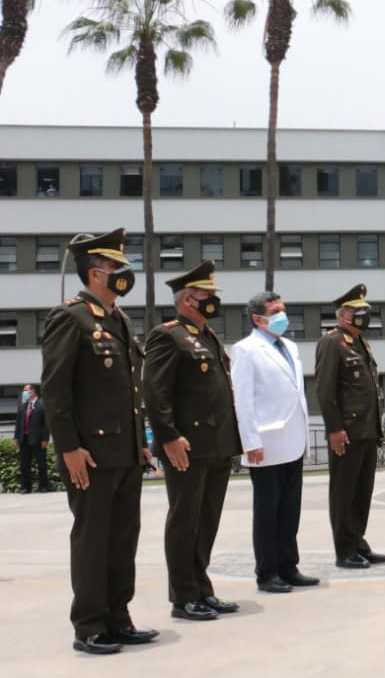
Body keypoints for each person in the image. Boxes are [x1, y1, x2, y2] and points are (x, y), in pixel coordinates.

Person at [41, 228, 156, 654]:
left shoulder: (119, 319)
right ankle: (89, 625)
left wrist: (139, 443)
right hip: (88, 454)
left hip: (124, 453)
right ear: (95, 273)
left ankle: (118, 617)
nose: (123, 273)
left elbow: (128, 389)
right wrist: (68, 447)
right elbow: (56, 389)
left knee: (123, 538)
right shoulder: (71, 318)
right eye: (114, 267)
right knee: (93, 540)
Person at [143, 261, 242, 621]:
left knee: (207, 520)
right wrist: (168, 437)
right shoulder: (167, 335)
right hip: (186, 446)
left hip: (217, 444)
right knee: (185, 520)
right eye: (207, 296)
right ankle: (183, 597)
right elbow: (155, 393)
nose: (214, 301)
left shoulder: (209, 337)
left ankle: (202, 588)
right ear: (187, 300)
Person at [231, 291, 317, 594]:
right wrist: (249, 441)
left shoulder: (290, 347)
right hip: (265, 444)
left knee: (289, 509)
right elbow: (243, 400)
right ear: (258, 318)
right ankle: (267, 572)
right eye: (275, 311)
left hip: (292, 439)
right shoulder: (246, 350)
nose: (282, 315)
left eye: (283, 309)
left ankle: (288, 566)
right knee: (268, 511)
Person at [315, 283, 385, 570]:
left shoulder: (359, 342)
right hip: (346, 432)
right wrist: (334, 428)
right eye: (360, 311)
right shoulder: (332, 342)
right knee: (344, 492)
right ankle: (344, 549)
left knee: (362, 492)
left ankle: (358, 541)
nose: (365, 316)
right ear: (344, 314)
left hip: (367, 431)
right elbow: (325, 390)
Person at [14, 383, 49, 493]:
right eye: (23, 391)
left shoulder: (42, 405)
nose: (24, 393)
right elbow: (18, 423)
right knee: (24, 465)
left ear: (33, 392)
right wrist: (16, 438)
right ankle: (25, 487)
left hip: (38, 440)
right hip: (24, 439)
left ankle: (43, 486)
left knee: (41, 464)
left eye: (26, 390)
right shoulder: (22, 406)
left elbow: (46, 424)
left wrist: (45, 439)